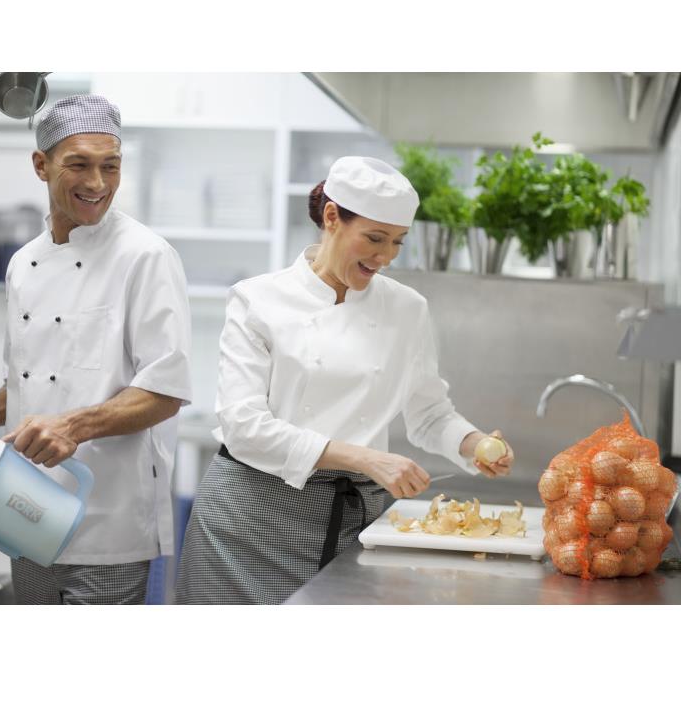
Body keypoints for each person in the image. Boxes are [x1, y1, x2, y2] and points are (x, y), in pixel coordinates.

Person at [175, 156, 514, 605]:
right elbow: (244, 427)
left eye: (397, 242)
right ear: (332, 217)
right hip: (248, 519)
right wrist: (366, 459)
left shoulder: (407, 309)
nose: (385, 257)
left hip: (351, 519)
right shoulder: (258, 300)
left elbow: (430, 412)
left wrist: (473, 444)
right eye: (374, 238)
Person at [0, 94, 193, 605]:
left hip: (108, 520)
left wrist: (73, 427)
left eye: (111, 165)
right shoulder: (22, 264)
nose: (97, 183)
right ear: (41, 165)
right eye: (78, 165)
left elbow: (165, 391)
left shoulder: (146, 256)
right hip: (23, 508)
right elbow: (32, 374)